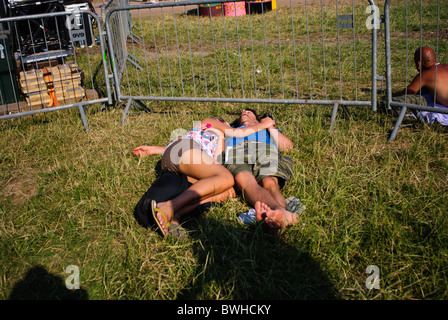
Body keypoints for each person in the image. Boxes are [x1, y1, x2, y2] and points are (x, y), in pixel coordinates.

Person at [133, 116, 276, 238]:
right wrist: (263, 124)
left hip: (187, 159)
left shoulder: (220, 138)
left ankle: (177, 215)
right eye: (222, 122)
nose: (224, 126)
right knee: (226, 178)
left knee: (228, 190)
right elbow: (236, 133)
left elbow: (216, 162)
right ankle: (170, 206)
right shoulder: (208, 122)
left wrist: (153, 150)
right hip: (183, 150)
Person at [222, 109, 298, 232]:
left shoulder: (267, 127)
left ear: (257, 118)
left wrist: (270, 126)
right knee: (243, 178)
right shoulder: (230, 130)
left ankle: (276, 216)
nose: (243, 111)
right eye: (241, 112)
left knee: (269, 182)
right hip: (236, 151)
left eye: (248, 111)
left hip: (264, 150)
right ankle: (281, 215)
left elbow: (287, 147)